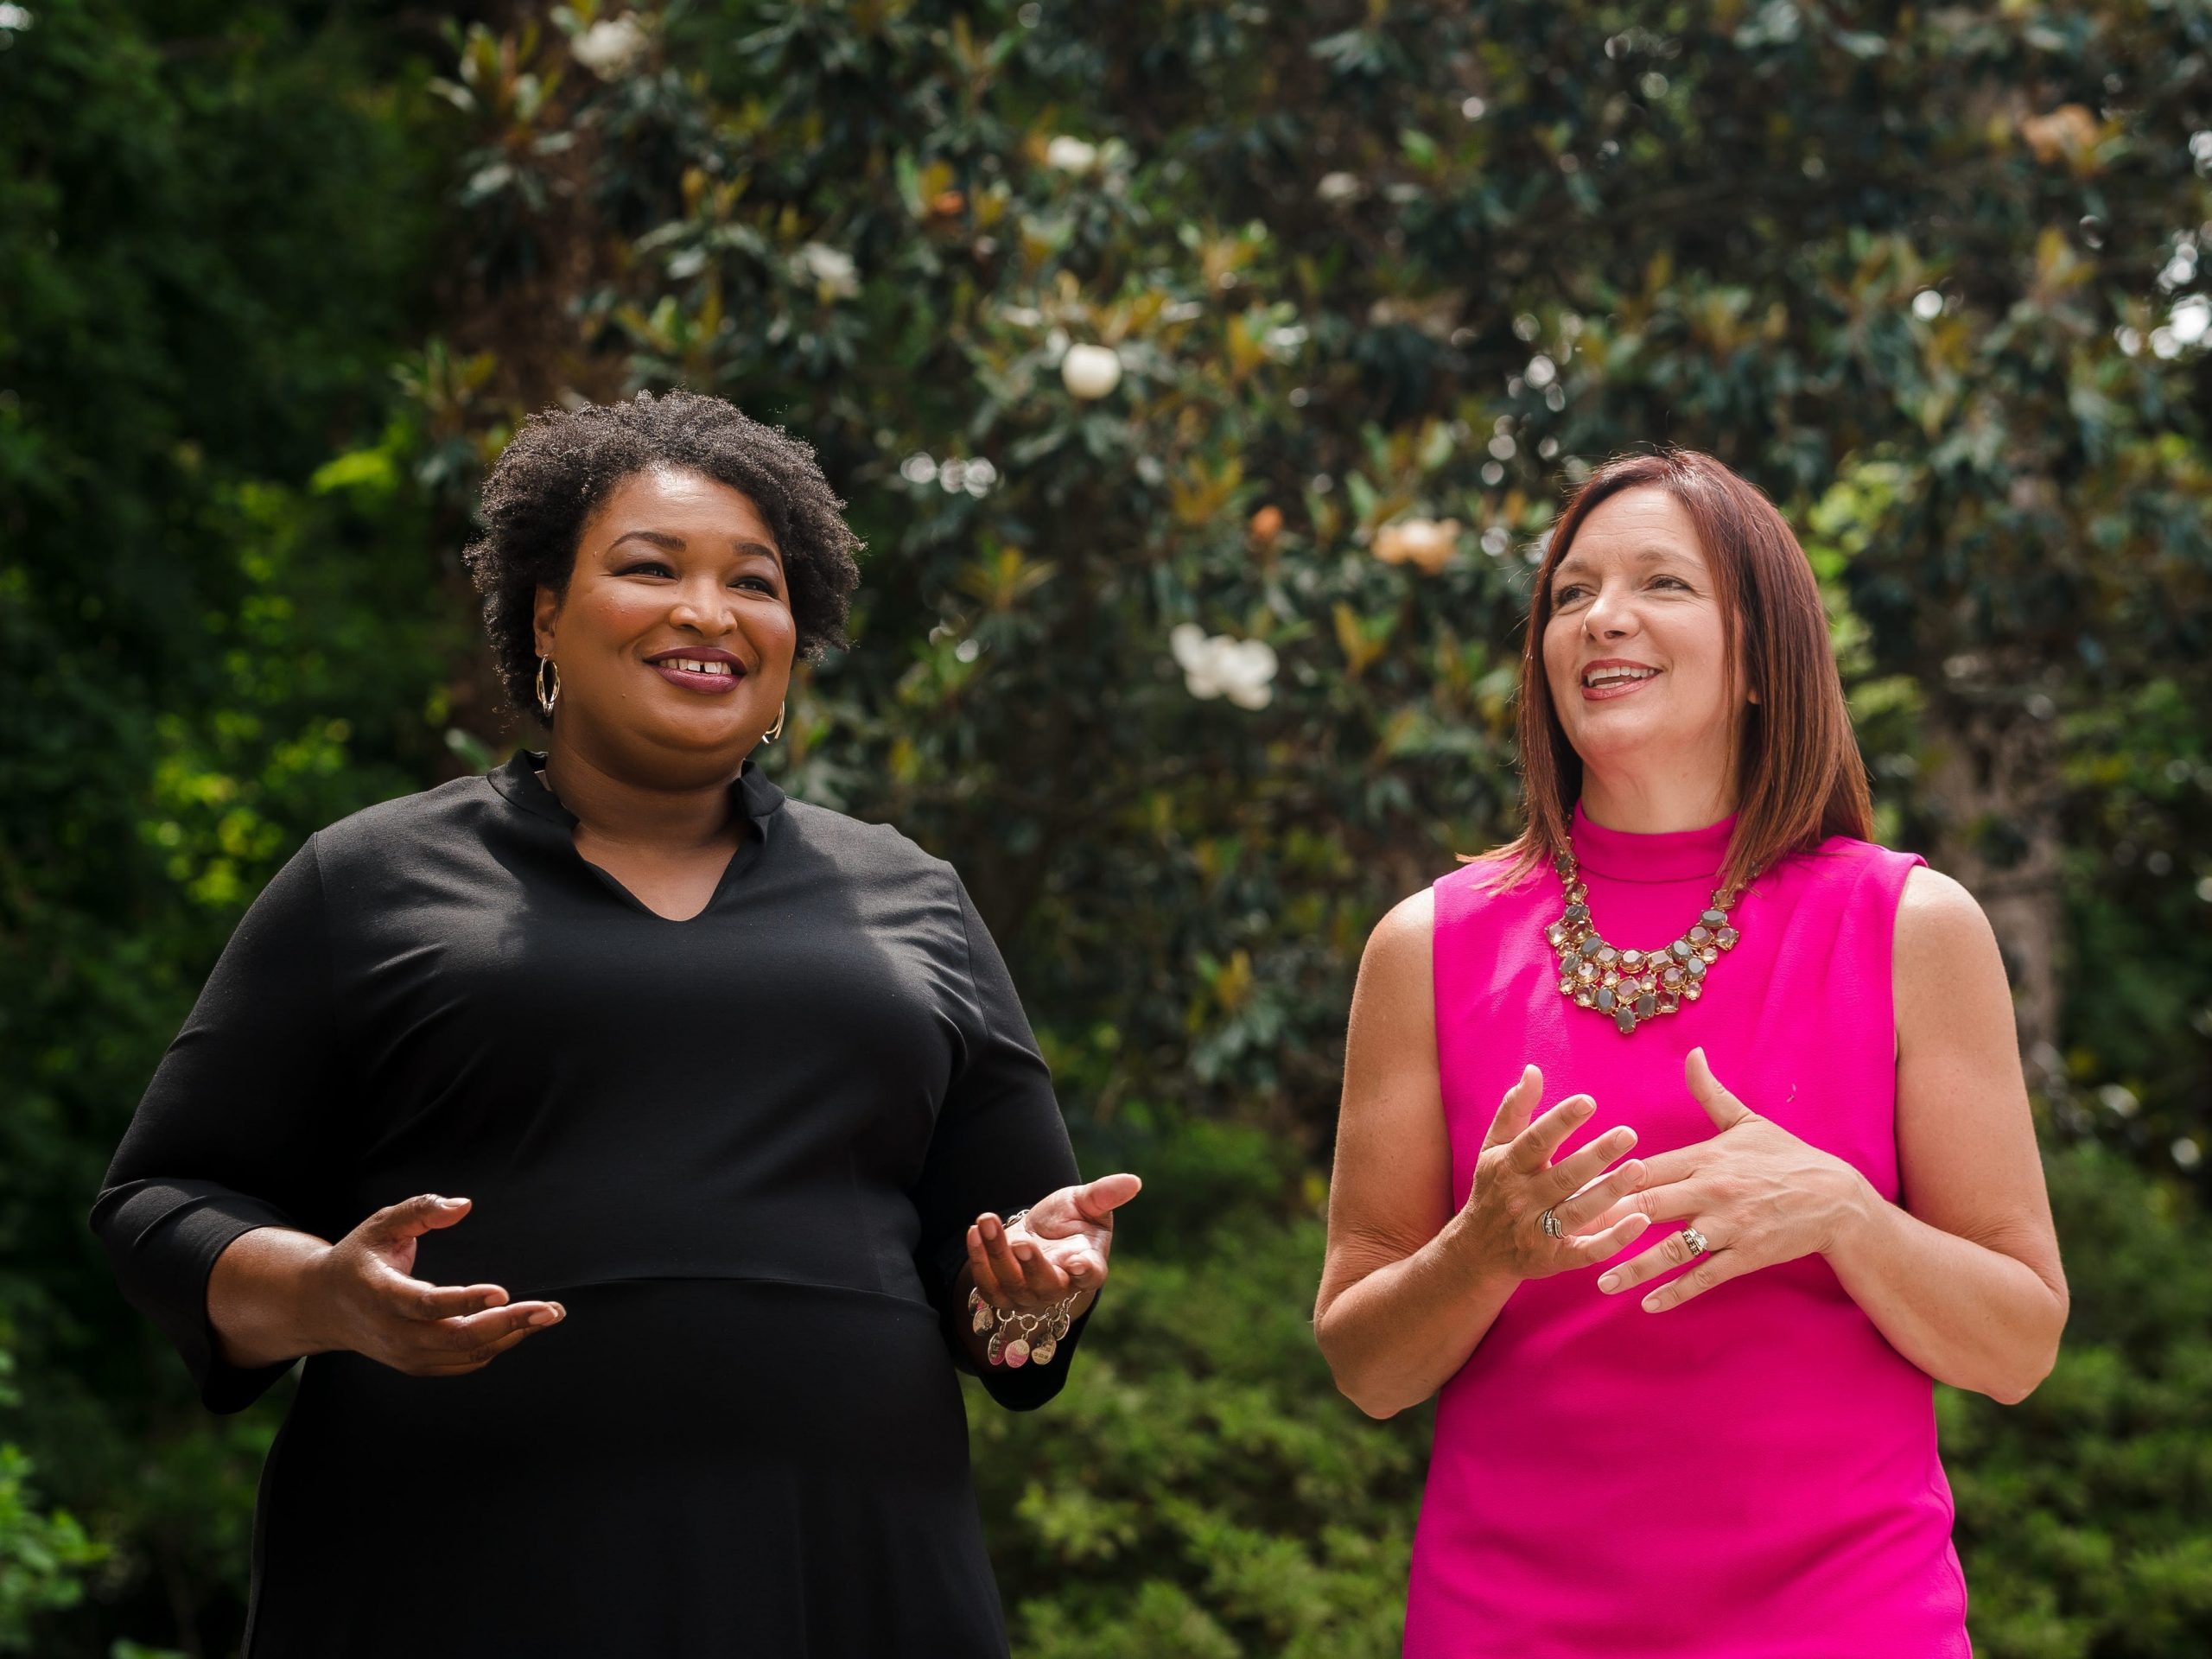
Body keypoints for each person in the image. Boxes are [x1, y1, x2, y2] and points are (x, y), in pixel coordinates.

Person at [92, 389, 1140, 1658]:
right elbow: (156, 1204)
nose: (708, 612)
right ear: (546, 613)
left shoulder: (907, 894)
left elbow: (1000, 1270)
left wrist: (1033, 1291)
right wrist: (327, 1297)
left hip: (846, 1572)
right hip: (449, 1568)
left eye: (755, 583)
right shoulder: (368, 880)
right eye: (651, 568)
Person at [1313, 448, 2066, 1658]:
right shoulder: (1427, 945)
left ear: (1763, 659)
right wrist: (1482, 1251)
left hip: (1847, 1620)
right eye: (1570, 593)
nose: (1602, 616)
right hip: (1507, 1624)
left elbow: (2021, 1343)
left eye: (1662, 582)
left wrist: (1845, 1213)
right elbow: (1366, 1363)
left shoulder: (1911, 928)